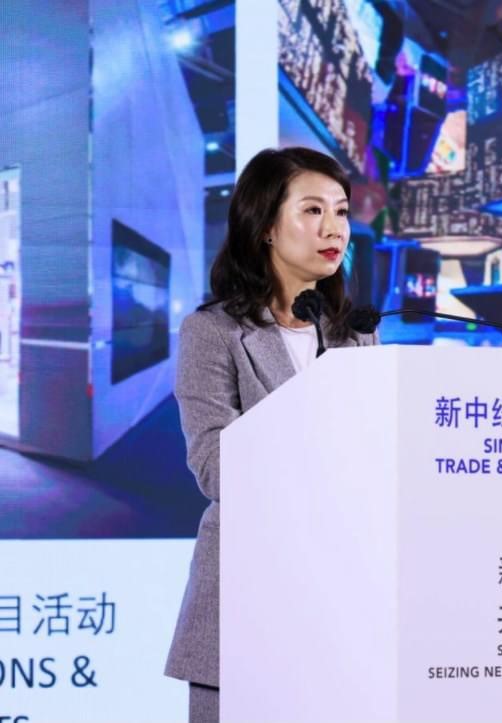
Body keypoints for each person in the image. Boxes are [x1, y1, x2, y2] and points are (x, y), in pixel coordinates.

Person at [164, 147, 378, 722]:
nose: (334, 228)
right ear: (265, 226)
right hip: (245, 602)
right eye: (312, 210)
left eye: (341, 211)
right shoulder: (213, 332)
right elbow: (216, 467)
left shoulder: (355, 336)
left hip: (341, 607)